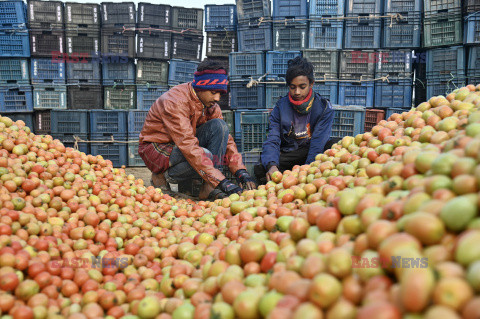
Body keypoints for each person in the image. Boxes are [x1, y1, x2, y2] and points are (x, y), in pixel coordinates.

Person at [138, 59, 256, 200]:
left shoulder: (211, 105)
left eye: (220, 93)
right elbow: (188, 144)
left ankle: (209, 187)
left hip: (183, 144)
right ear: (200, 87)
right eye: (213, 92)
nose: (217, 98)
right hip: (157, 148)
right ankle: (161, 175)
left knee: (220, 126)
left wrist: (241, 171)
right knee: (205, 155)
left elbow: (227, 140)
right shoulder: (176, 101)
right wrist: (222, 181)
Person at [254, 56, 336, 185]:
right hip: (291, 153)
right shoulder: (280, 107)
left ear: (311, 84)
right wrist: (272, 166)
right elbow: (273, 139)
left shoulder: (323, 108)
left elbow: (318, 144)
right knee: (261, 167)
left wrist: (306, 174)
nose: (297, 92)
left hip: (312, 152)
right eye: (292, 87)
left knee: (333, 145)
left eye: (302, 87)